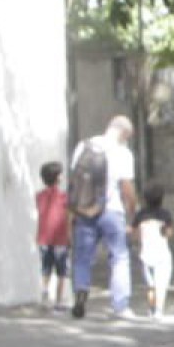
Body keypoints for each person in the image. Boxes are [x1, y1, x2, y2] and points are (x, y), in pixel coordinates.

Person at [69, 114, 139, 319]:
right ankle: (121, 306)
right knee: (119, 257)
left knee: (82, 257)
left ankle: (81, 292)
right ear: (125, 134)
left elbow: (75, 180)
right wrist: (132, 214)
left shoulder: (83, 146)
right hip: (112, 211)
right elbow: (127, 188)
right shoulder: (123, 153)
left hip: (84, 210)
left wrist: (73, 211)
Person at [133, 183, 174, 319]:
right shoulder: (165, 215)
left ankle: (151, 308)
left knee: (150, 285)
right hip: (162, 254)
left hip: (145, 254)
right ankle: (158, 310)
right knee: (161, 284)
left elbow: (135, 233)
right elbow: (169, 233)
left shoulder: (140, 215)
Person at [35, 161, 71, 310]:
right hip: (60, 238)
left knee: (46, 268)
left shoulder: (39, 196)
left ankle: (44, 294)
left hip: (43, 238)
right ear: (57, 177)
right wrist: (70, 235)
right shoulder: (64, 197)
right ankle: (58, 300)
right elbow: (67, 216)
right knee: (61, 271)